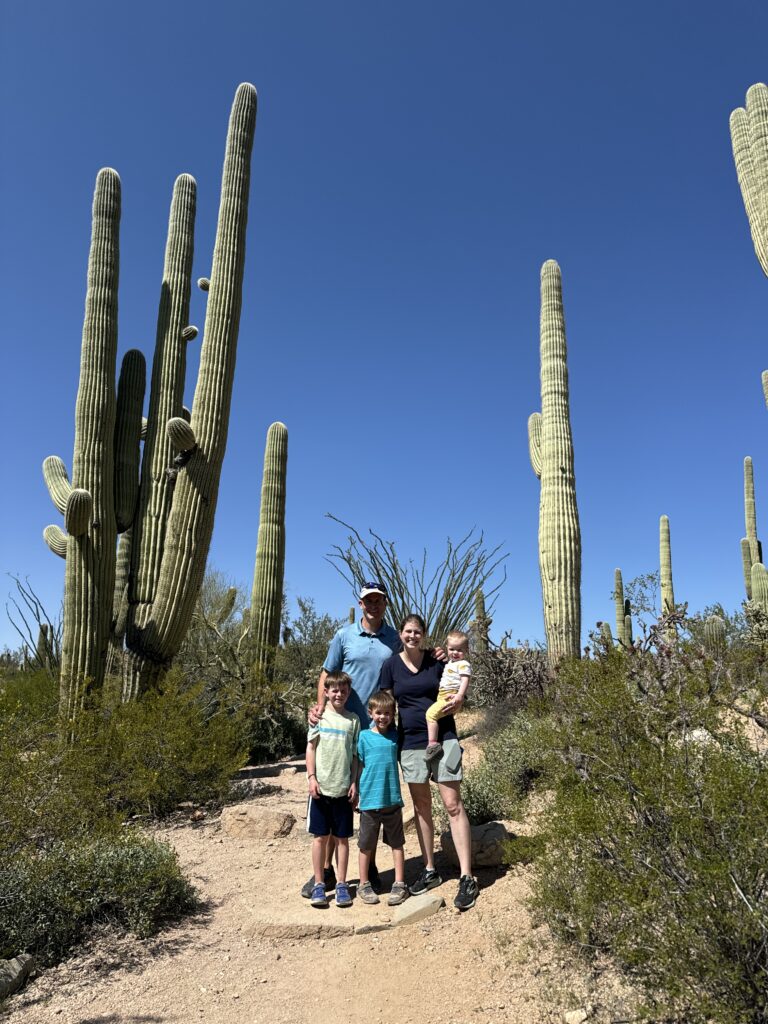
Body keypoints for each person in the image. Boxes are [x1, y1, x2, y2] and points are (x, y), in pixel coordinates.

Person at [300, 582, 400, 899]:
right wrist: (321, 708)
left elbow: (409, 661)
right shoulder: (344, 636)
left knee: (370, 799)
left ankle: (366, 867)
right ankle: (326, 873)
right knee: (333, 795)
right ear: (360, 603)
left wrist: (438, 655)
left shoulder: (394, 638)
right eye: (368, 600)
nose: (373, 605)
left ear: (385, 604)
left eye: (378, 600)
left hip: (376, 732)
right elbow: (326, 674)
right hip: (343, 728)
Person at [379, 614, 479, 911]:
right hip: (410, 742)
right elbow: (384, 705)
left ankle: (467, 876)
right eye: (408, 632)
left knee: (452, 804)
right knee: (421, 807)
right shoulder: (391, 665)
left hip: (444, 736)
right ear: (400, 634)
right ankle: (430, 869)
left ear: (424, 635)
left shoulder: (437, 661)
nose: (412, 636)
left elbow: (458, 684)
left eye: (417, 632)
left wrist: (461, 700)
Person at [305, 672, 359, 908]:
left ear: (348, 693)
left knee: (342, 840)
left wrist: (355, 782)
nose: (339, 694)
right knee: (320, 838)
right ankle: (319, 883)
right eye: (334, 690)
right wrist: (311, 777)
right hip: (321, 787)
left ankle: (341, 884)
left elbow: (355, 756)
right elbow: (311, 748)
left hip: (343, 789)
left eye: (343, 690)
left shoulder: (353, 720)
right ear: (326, 692)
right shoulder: (319, 718)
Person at [356, 689, 409, 907]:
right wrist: (355, 790)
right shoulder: (364, 737)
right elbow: (358, 765)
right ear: (370, 713)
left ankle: (399, 883)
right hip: (369, 800)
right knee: (365, 844)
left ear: (393, 714)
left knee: (396, 843)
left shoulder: (396, 737)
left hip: (392, 800)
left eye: (388, 713)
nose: (383, 717)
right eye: (379, 712)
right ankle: (363, 883)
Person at [424, 630, 471, 764]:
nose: (455, 653)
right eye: (451, 649)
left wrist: (460, 696)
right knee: (440, 718)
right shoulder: (450, 663)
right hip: (443, 696)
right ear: (446, 648)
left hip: (450, 696)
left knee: (430, 715)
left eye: (459, 650)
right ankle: (455, 749)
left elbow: (465, 680)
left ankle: (432, 744)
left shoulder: (463, 664)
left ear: (466, 650)